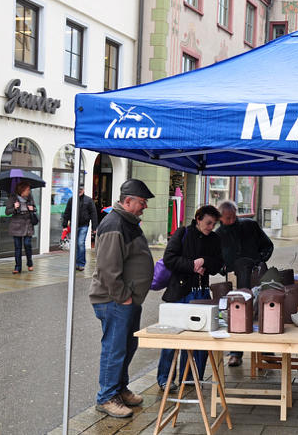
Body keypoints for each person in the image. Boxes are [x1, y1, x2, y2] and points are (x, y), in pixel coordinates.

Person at [89, 179, 155, 418]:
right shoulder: (114, 223)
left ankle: (119, 389)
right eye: (142, 202)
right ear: (128, 201)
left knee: (127, 346)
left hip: (126, 300)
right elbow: (108, 268)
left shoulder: (127, 222)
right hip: (115, 300)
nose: (144, 206)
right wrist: (123, 297)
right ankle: (106, 397)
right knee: (115, 349)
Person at [156, 205, 224, 392]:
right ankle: (165, 380)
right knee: (172, 338)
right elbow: (169, 259)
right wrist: (192, 265)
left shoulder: (215, 239)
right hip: (180, 292)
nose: (211, 227)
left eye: (214, 224)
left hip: (201, 293)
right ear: (198, 218)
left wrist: (205, 262)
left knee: (199, 339)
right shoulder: (183, 233)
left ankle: (191, 377)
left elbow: (218, 263)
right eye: (208, 223)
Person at [216, 200, 274, 367]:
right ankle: (236, 353)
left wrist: (260, 261)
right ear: (221, 217)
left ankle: (266, 350)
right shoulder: (218, 234)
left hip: (257, 276)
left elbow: (268, 245)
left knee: (263, 313)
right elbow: (217, 260)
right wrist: (223, 268)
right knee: (236, 316)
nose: (232, 220)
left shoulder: (250, 225)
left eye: (234, 216)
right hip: (237, 281)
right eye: (228, 218)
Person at [62, 185, 98, 271]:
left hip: (84, 225)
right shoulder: (72, 200)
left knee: (80, 243)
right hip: (73, 225)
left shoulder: (89, 200)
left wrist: (94, 227)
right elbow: (67, 212)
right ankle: (76, 263)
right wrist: (64, 225)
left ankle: (81, 263)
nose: (79, 191)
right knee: (75, 245)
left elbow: (93, 213)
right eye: (78, 189)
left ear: (84, 190)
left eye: (81, 189)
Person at [5, 181, 37, 274]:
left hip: (28, 224)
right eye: (27, 190)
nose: (29, 191)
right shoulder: (12, 198)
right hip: (16, 224)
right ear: (22, 190)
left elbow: (35, 208)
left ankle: (29, 262)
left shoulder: (30, 197)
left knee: (27, 244)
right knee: (18, 247)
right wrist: (14, 207)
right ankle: (17, 267)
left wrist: (32, 209)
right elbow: (7, 212)